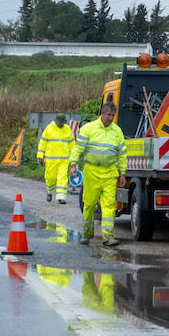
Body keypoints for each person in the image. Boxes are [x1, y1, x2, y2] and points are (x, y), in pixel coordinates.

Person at [69, 101, 127, 246]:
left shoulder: (117, 131)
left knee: (109, 205)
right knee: (88, 204)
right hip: (92, 172)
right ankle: (87, 233)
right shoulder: (89, 128)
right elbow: (78, 148)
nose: (111, 118)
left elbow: (122, 154)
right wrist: (73, 164)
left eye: (113, 115)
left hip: (109, 173)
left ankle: (108, 236)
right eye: (109, 115)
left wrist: (123, 173)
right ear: (102, 113)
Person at [36, 114, 76, 203]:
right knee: (50, 178)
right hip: (51, 160)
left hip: (64, 159)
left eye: (62, 123)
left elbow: (72, 145)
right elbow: (42, 143)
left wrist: (73, 158)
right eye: (59, 123)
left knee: (62, 178)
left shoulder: (67, 129)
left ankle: (61, 197)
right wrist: (40, 156)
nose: (61, 124)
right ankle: (50, 191)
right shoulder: (49, 129)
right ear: (56, 121)